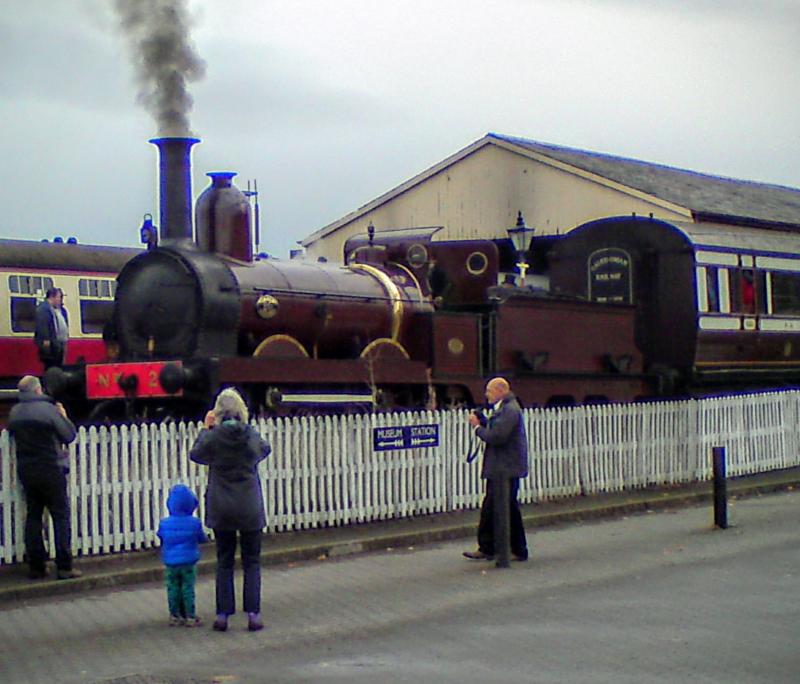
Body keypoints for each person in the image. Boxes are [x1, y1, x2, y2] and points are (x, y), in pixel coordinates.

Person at [189, 388, 271, 632]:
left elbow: (196, 454)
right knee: (252, 561)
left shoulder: (213, 437)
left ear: (217, 412)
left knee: (224, 561)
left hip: (222, 506)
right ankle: (253, 615)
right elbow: (264, 449)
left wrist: (206, 429)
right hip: (249, 506)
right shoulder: (250, 435)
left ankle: (223, 614)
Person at [8, 375, 80, 579]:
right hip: (50, 468)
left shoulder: (14, 413)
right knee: (60, 516)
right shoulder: (48, 410)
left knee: (33, 516)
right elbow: (69, 435)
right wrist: (64, 416)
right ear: (38, 390)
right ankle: (64, 566)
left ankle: (37, 566)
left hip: (27, 470)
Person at [464, 377, 529, 562]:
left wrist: (477, 428)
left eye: (489, 391)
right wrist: (484, 421)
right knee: (504, 509)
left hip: (505, 469)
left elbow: (498, 436)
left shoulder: (510, 410)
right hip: (503, 468)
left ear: (501, 390)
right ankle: (506, 548)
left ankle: (493, 548)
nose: (486, 395)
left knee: (498, 508)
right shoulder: (506, 408)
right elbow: (496, 428)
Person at [157, 483, 207, 627]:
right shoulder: (194, 523)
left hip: (170, 562)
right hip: (188, 561)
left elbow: (161, 536)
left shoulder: (164, 523)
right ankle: (189, 615)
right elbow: (201, 538)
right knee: (187, 587)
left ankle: (175, 615)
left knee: (172, 587)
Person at [34, 287, 69, 370]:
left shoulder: (59, 310)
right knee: (51, 365)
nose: (60, 300)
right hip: (50, 344)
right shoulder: (43, 309)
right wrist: (46, 340)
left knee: (59, 365)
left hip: (60, 342)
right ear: (52, 297)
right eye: (59, 297)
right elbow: (42, 325)